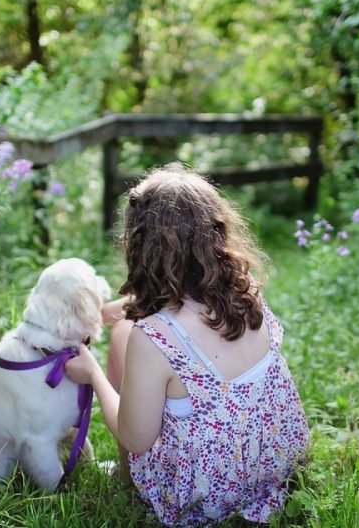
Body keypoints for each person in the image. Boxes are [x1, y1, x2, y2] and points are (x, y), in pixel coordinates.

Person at [65, 167, 309, 526]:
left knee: (121, 335)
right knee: (125, 329)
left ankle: (125, 475)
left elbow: (137, 438)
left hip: (203, 496)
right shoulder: (247, 292)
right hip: (275, 464)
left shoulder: (152, 337)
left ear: (141, 246)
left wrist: (94, 376)